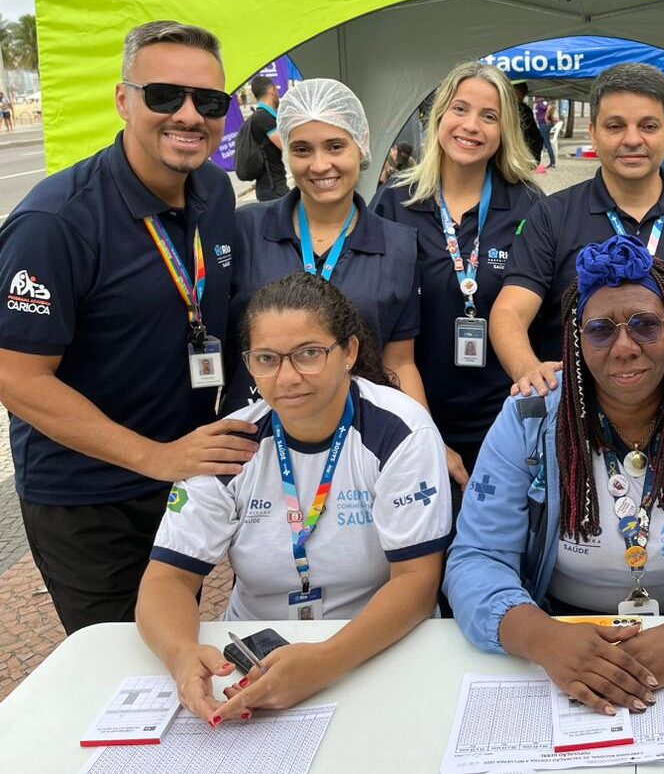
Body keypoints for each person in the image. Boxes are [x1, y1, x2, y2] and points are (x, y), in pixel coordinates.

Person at [445, 236, 664, 715]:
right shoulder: (529, 418)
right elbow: (477, 558)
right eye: (600, 330)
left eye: (645, 325)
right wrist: (544, 639)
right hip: (562, 634)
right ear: (577, 339)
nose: (625, 347)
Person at [0, 21, 252, 634]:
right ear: (123, 100)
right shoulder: (54, 223)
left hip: (180, 476)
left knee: (178, 634)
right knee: (124, 660)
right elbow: (16, 377)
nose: (188, 115)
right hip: (89, 497)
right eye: (165, 95)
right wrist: (156, 457)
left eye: (209, 101)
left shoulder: (215, 191)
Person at [137, 272, 450, 726]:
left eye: (308, 354)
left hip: (375, 647)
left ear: (349, 352)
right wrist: (181, 654)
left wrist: (325, 662)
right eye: (267, 359)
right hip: (252, 653)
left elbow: (417, 583)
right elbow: (167, 580)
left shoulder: (400, 432)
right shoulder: (228, 445)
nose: (287, 378)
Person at [492, 62, 664, 397]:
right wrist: (528, 370)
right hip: (574, 414)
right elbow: (510, 311)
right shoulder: (552, 216)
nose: (632, 139)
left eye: (648, 126)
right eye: (615, 126)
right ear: (593, 133)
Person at [371, 61, 541, 489]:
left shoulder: (528, 205)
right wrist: (425, 436)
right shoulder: (395, 202)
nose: (471, 126)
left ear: (505, 130)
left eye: (489, 116)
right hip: (411, 412)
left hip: (506, 419)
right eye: (460, 109)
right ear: (438, 116)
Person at [227, 78, 425, 416]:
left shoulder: (398, 246)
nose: (319, 165)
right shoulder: (245, 230)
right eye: (302, 149)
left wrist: (425, 436)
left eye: (335, 147)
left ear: (361, 146)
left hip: (360, 431)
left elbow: (400, 363)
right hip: (258, 429)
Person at [246, 75, 288, 202]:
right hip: (272, 187)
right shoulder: (263, 118)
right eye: (277, 91)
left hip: (273, 184)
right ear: (272, 91)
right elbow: (285, 144)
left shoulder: (263, 116)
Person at [513, 82, 543, 170]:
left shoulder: (519, 109)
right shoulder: (524, 109)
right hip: (528, 154)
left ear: (518, 93)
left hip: (523, 154)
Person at [536, 97, 556, 171]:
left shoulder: (540, 104)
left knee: (547, 144)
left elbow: (549, 107)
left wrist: (546, 118)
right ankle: (552, 162)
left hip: (543, 125)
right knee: (544, 144)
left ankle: (552, 163)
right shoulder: (540, 104)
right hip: (543, 125)